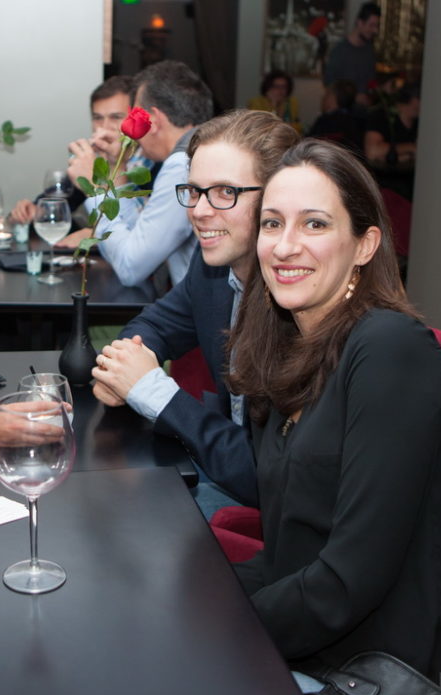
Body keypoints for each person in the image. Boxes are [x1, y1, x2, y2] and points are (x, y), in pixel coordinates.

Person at [227, 139, 441, 693]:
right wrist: (194, 594)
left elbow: (350, 580)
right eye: (272, 224)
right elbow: (289, 553)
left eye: (315, 224)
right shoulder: (284, 351)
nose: (285, 246)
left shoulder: (391, 349)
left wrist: (218, 627)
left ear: (365, 245)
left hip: (389, 666)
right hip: (323, 637)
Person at [91, 110, 300, 514]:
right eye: (194, 190)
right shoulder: (212, 271)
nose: (199, 211)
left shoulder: (298, 308)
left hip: (270, 513)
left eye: (225, 192)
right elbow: (153, 324)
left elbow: (265, 477)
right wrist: (123, 369)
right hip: (219, 469)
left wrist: (150, 389)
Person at [61, 60, 214, 288]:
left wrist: (94, 189)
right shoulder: (204, 149)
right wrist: (118, 168)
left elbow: (130, 268)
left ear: (153, 120)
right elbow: (137, 238)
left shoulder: (182, 165)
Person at [9, 75, 148, 226]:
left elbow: (143, 232)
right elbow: (61, 200)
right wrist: (36, 211)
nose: (104, 126)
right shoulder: (98, 159)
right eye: (97, 118)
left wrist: (89, 234)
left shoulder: (153, 164)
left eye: (116, 117)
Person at [323, 2, 381, 107]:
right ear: (360, 23)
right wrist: (354, 97)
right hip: (344, 114)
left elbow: (371, 84)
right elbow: (330, 87)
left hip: (364, 113)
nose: (375, 30)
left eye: (377, 26)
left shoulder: (370, 51)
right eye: (371, 25)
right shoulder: (339, 52)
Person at [364, 81, 420, 165]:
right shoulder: (381, 116)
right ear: (414, 99)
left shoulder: (420, 122)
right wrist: (410, 147)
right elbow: (372, 152)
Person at [307, 79, 364, 156]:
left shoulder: (324, 121)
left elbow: (307, 146)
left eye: (326, 95)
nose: (323, 98)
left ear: (332, 98)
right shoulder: (358, 121)